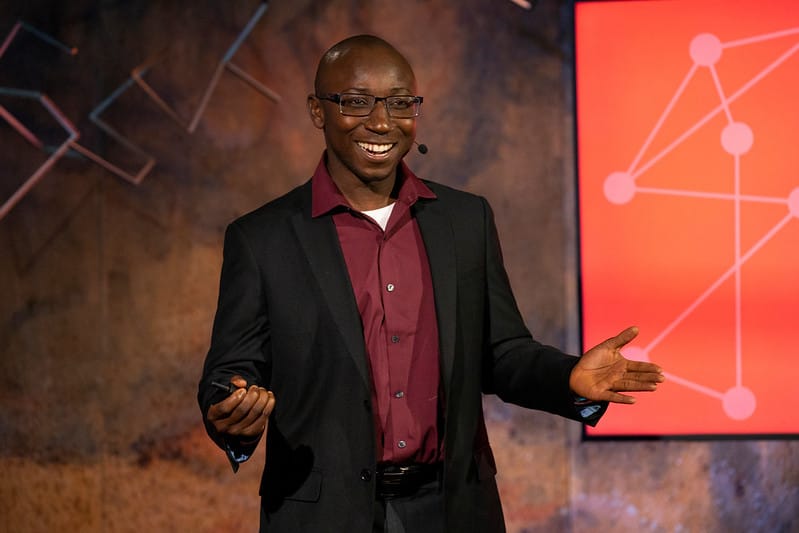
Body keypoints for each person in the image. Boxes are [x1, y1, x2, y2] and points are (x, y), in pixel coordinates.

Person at [198, 34, 664, 533]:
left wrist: (569, 378)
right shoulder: (263, 238)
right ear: (318, 111)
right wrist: (232, 413)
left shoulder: (465, 220)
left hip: (454, 510)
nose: (381, 122)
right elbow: (230, 373)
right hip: (323, 515)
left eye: (400, 103)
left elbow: (501, 352)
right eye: (356, 103)